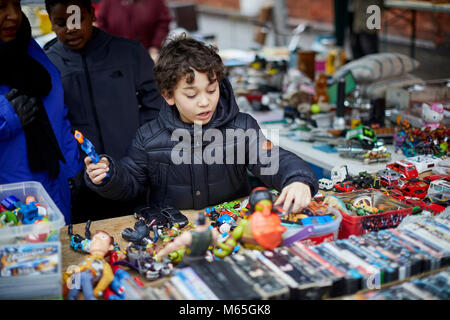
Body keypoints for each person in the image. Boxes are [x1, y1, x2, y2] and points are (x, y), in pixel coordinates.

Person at [83, 35, 318, 217]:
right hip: (172, 231)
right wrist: (108, 175)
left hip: (230, 228)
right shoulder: (148, 138)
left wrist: (297, 179)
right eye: (191, 94)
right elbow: (129, 183)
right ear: (168, 96)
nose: (205, 101)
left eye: (211, 90)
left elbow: (271, 158)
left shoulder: (242, 128)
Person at [44, 0, 165, 223]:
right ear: (50, 22)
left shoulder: (130, 53)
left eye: (78, 19)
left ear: (92, 15)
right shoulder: (46, 64)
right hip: (80, 185)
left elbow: (157, 105)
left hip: (134, 176)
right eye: (61, 22)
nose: (71, 29)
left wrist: (141, 151)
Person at [0, 0, 82, 224]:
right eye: (1, 7)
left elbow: (57, 110)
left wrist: (72, 168)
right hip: (11, 209)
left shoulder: (28, 47)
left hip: (55, 192)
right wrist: (4, 116)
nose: (14, 15)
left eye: (16, 4)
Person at [95, 0, 171, 62]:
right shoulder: (108, 2)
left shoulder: (155, 2)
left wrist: (155, 47)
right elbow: (101, 24)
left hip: (148, 54)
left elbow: (163, 23)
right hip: (116, 56)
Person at [64, 230, 114, 300]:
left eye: (103, 237)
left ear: (110, 247)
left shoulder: (104, 264)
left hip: (88, 276)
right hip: (77, 275)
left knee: (89, 295)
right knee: (70, 295)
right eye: (95, 238)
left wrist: (97, 291)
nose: (97, 240)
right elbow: (80, 267)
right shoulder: (87, 259)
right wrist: (69, 274)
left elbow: (108, 277)